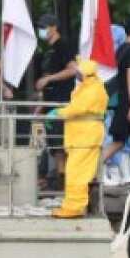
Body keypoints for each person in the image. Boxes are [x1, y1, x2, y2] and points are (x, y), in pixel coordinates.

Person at [52, 59, 109, 218]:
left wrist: (58, 113)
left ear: (86, 74)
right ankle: (73, 206)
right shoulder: (88, 87)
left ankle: (75, 208)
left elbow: (77, 108)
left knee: (78, 174)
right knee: (74, 172)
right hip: (81, 138)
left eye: (79, 72)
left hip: (86, 138)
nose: (76, 74)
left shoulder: (93, 89)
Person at [34, 14, 79, 177]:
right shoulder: (48, 50)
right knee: (54, 142)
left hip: (61, 102)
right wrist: (40, 106)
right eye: (40, 27)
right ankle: (60, 175)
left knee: (61, 141)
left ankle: (64, 176)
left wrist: (49, 78)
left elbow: (73, 70)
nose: (41, 30)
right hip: (50, 103)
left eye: (44, 27)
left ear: (54, 27)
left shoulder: (63, 46)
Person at [102, 22, 130, 182]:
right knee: (124, 140)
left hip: (115, 100)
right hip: (125, 101)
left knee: (123, 140)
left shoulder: (118, 51)